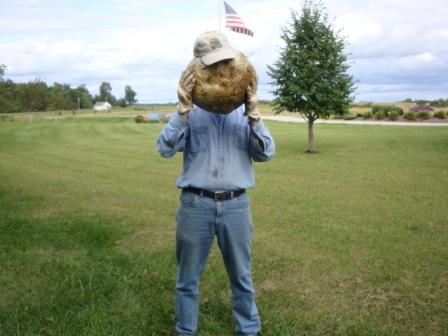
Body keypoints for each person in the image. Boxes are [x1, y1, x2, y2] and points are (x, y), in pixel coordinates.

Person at [156, 31, 275, 336]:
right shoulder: (190, 115)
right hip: (196, 204)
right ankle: (185, 331)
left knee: (242, 277)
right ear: (198, 69)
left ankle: (248, 330)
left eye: (224, 63)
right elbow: (165, 149)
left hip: (236, 205)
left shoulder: (245, 114)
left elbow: (266, 154)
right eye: (211, 66)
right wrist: (182, 111)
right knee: (187, 279)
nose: (219, 72)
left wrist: (254, 116)